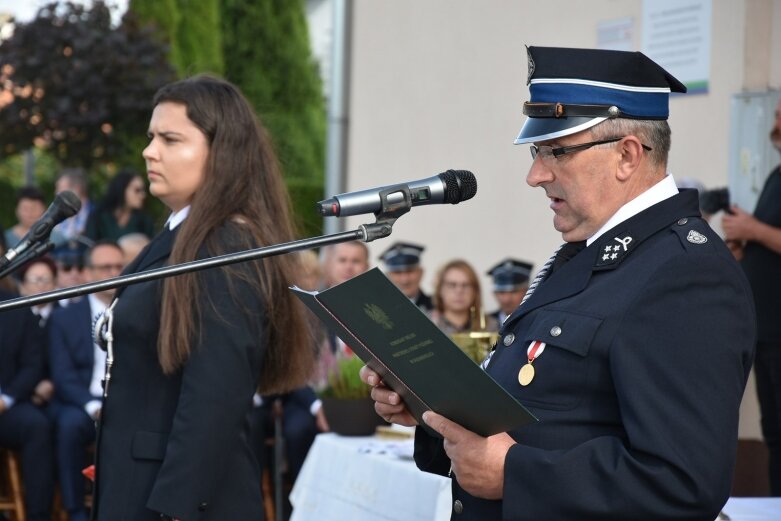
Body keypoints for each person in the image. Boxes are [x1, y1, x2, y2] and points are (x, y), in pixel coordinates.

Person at [361, 46, 755, 520]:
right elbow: (550, 413)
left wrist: (515, 473)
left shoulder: (685, 274)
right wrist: (429, 412)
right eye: (537, 151)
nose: (535, 175)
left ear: (627, 155)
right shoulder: (596, 254)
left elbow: (682, 482)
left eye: (557, 151)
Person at [91, 75, 316, 521]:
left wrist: (176, 507)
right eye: (152, 137)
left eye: (170, 139)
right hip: (142, 483)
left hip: (181, 500)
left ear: (221, 153)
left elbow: (217, 392)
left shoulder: (227, 246)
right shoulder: (183, 235)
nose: (149, 151)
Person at [722, 97, 781, 496]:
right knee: (773, 431)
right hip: (766, 328)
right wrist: (744, 244)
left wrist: (754, 230)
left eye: (780, 115)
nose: (774, 122)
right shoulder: (777, 176)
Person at [49, 242, 125, 521]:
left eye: (119, 267)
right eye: (106, 267)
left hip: (123, 402)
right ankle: (76, 511)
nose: (114, 273)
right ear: (87, 273)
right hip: (80, 402)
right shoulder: (65, 317)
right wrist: (92, 406)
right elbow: (62, 374)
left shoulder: (135, 311)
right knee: (68, 427)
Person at [0, 288, 55, 521]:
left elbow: (32, 364)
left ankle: (38, 515)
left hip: (8, 404)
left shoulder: (16, 305)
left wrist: (6, 399)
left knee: (38, 426)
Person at [17, 256, 60, 407]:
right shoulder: (13, 318)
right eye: (35, 279)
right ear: (22, 285)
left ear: (55, 284)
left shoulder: (65, 316)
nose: (41, 285)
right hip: (20, 393)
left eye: (46, 279)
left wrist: (51, 383)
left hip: (59, 392)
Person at [429, 259, 496, 335]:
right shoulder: (427, 324)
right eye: (452, 285)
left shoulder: (491, 326)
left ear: (475, 291)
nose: (459, 291)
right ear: (440, 289)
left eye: (466, 285)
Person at [85, 169, 155, 242]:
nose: (143, 195)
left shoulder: (144, 222)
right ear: (122, 189)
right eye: (137, 190)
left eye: (143, 190)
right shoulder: (98, 217)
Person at [378, 241, 433, 312]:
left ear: (421, 272)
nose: (404, 280)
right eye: (397, 272)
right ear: (387, 276)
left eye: (409, 271)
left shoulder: (439, 307)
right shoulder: (378, 308)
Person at [486, 258, 533, 326]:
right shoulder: (485, 323)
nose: (507, 299)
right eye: (502, 292)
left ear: (527, 291)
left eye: (514, 292)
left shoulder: (537, 320)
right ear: (494, 293)